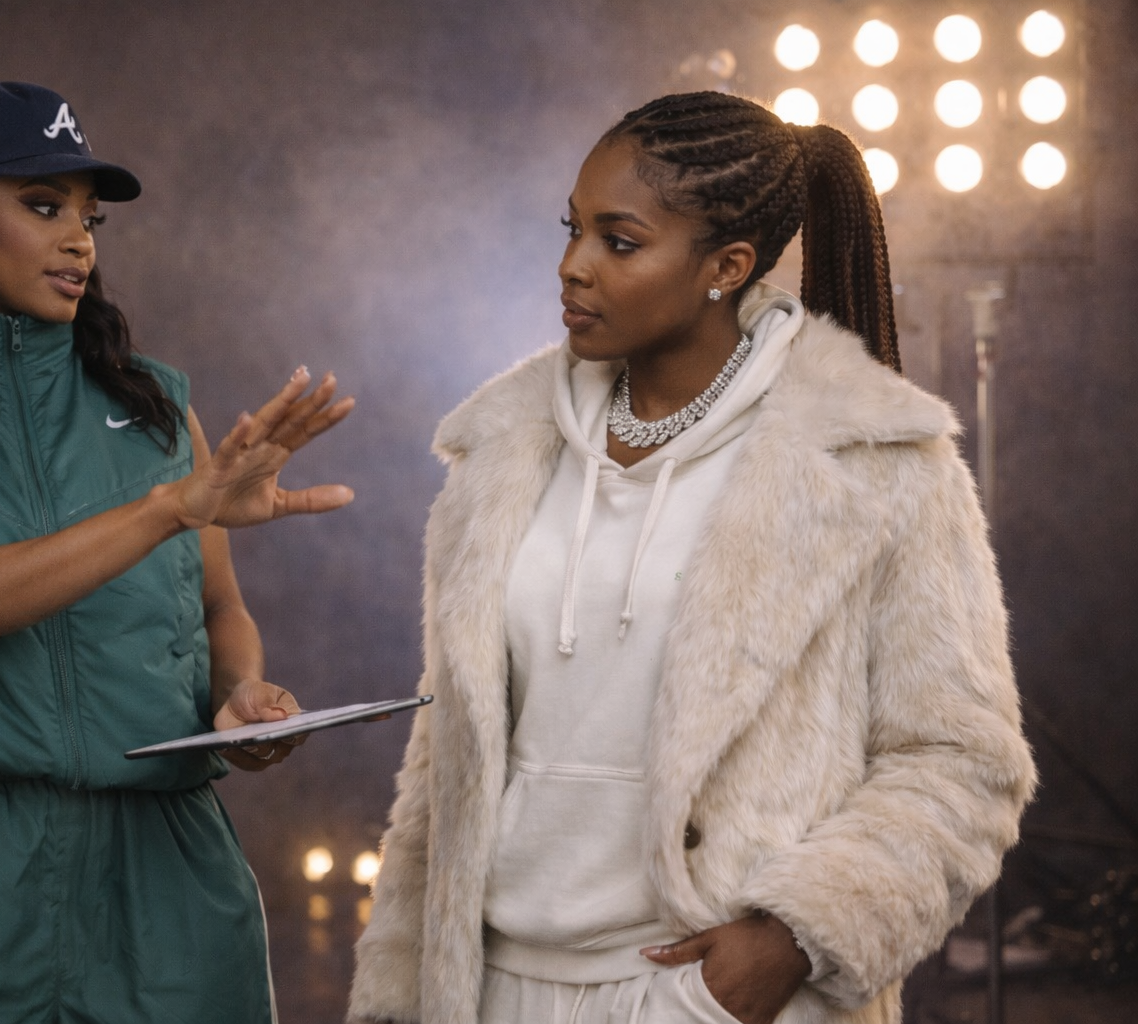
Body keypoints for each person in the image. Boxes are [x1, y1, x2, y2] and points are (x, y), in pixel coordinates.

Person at [349, 92, 1035, 1024]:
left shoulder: (873, 460)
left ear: (727, 266)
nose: (572, 267)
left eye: (618, 242)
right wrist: (398, 994)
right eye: (572, 230)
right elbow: (444, 771)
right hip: (493, 988)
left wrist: (794, 940)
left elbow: (962, 762)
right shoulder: (501, 453)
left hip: (715, 994)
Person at [0, 80, 354, 1024]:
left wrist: (245, 695)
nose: (80, 240)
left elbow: (218, 609)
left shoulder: (154, 403)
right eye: (43, 206)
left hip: (168, 884)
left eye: (90, 218)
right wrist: (167, 508)